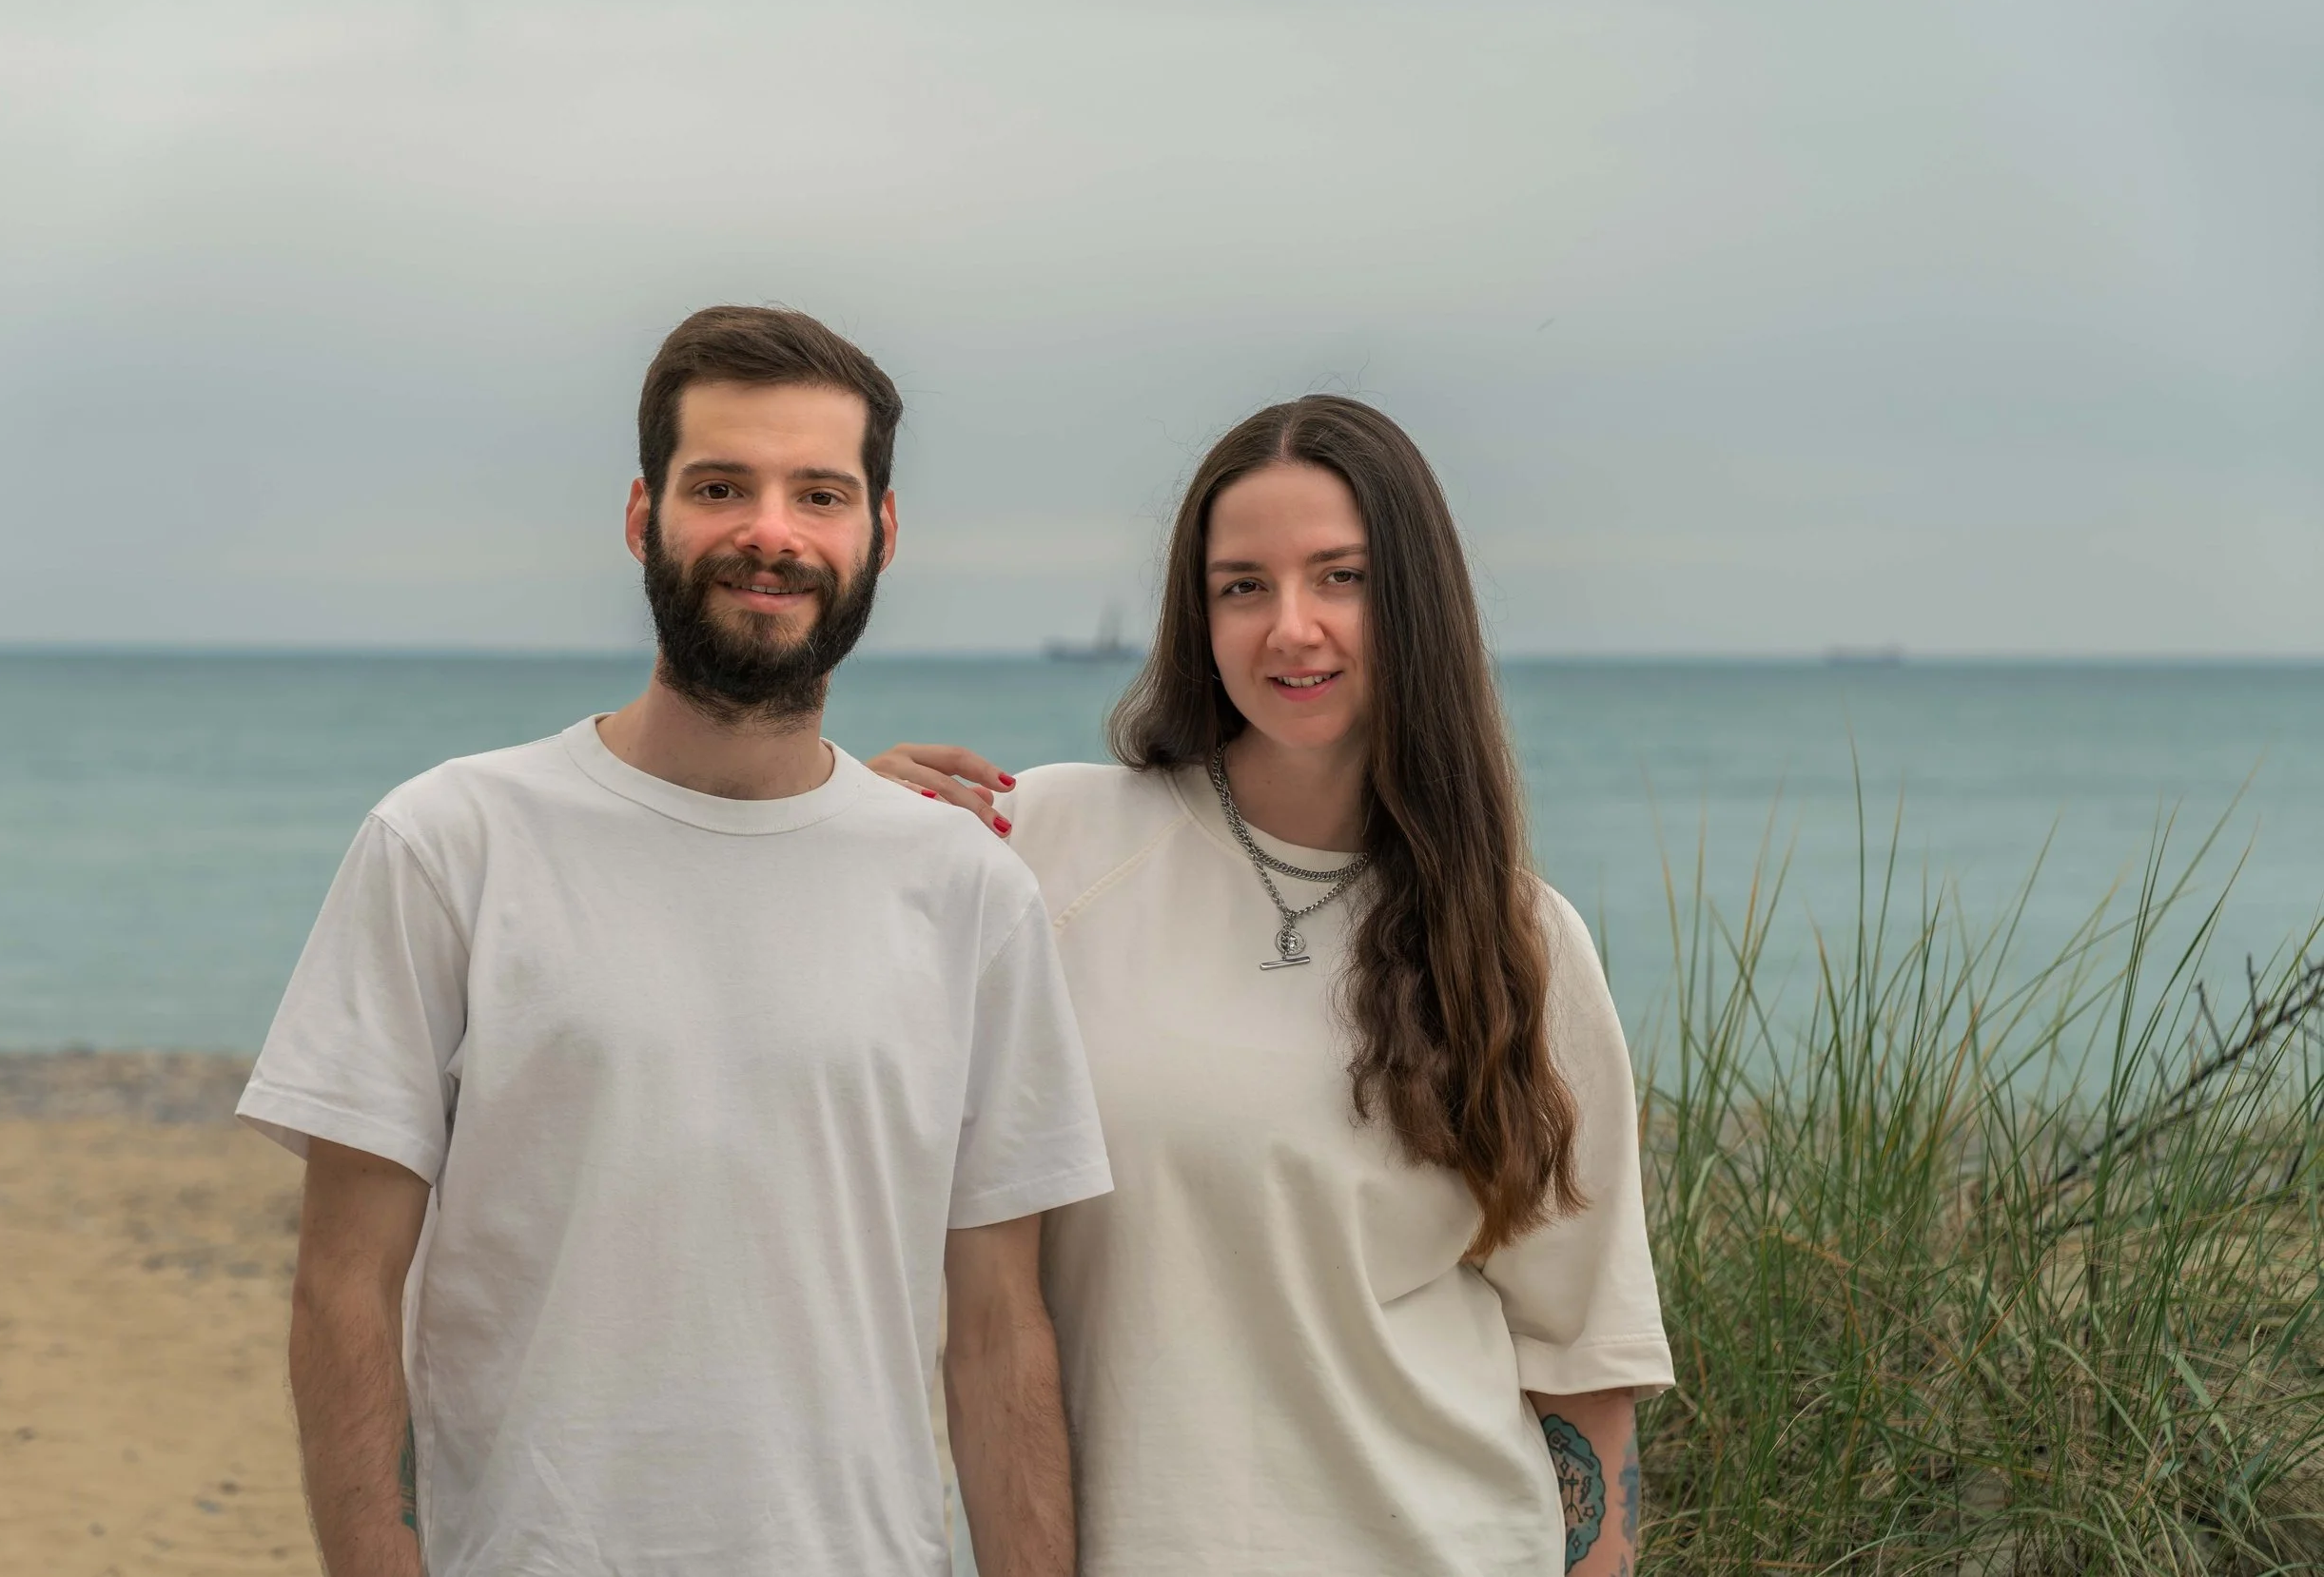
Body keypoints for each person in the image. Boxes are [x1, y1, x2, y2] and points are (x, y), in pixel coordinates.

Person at [238, 306, 1112, 1577]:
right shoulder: (449, 841)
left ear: (881, 531)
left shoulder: (966, 890)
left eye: (820, 491)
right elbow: (343, 1288)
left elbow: (998, 1331)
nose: (772, 530)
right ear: (644, 516)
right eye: (722, 486)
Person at [872, 395, 1672, 1575]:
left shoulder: (1518, 942)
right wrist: (850, 833)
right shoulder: (1043, 844)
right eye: (1242, 585)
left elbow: (1581, 1371)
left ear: (1414, 600)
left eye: (1339, 577)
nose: (1290, 627)